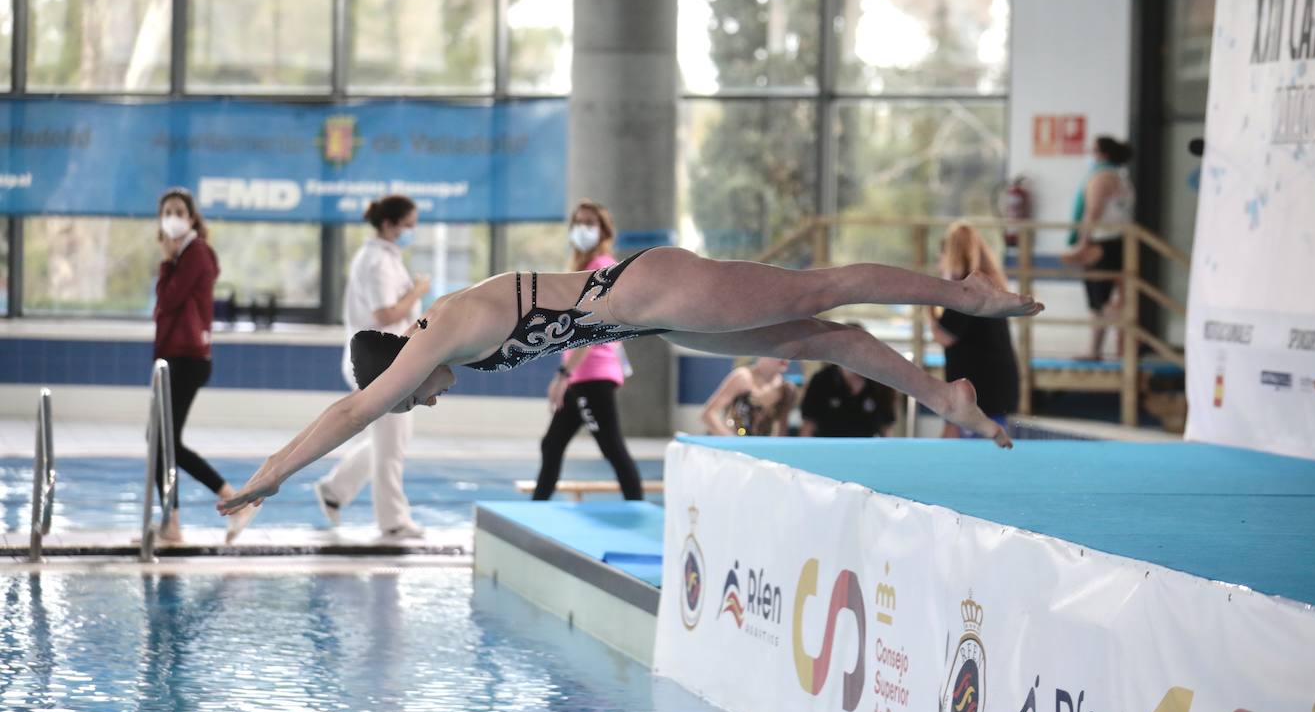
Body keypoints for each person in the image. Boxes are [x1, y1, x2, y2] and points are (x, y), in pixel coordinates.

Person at [219, 247, 1044, 519]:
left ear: (402, 371)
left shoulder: (445, 329)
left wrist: (269, 476)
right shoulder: (447, 345)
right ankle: (945, 399)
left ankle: (966, 295)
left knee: (820, 295)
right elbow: (363, 400)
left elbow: (353, 408)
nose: (425, 401)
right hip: (645, 317)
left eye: (414, 395)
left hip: (655, 291)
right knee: (831, 340)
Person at [310, 195, 430, 540]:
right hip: (377, 363)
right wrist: (419, 291)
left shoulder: (387, 258)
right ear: (389, 224)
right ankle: (393, 519)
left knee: (392, 437)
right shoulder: (377, 261)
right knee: (392, 442)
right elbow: (384, 314)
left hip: (389, 360)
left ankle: (335, 489)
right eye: (408, 225)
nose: (412, 231)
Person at [534, 201, 645, 500]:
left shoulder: (600, 266)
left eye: (590, 223)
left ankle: (636, 506)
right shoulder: (583, 267)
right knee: (552, 444)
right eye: (578, 222)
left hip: (592, 374)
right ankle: (537, 508)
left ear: (603, 230)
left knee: (611, 447)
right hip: (581, 375)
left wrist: (564, 374)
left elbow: (591, 329)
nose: (583, 229)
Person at [152, 188, 234, 542]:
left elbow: (169, 301)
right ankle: (174, 522)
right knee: (161, 440)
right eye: (166, 210)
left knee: (162, 441)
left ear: (191, 218)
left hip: (186, 358)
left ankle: (227, 498)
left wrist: (167, 261)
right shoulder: (184, 255)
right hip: (175, 357)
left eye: (178, 211)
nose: (172, 216)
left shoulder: (195, 253)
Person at [929, 223, 1020, 438]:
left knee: (958, 445)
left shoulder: (967, 290)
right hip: (995, 383)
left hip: (980, 388)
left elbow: (944, 336)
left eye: (941, 256)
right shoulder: (988, 283)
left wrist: (929, 308)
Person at [1062, 135, 1136, 360]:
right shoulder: (1121, 177)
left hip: (1102, 242)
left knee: (1099, 301)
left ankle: (1129, 339)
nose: (1089, 155)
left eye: (1092, 150)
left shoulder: (1101, 177)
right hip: (1118, 241)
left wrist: (1082, 243)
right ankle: (1100, 349)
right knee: (1102, 300)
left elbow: (1092, 212)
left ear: (1103, 154)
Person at [799, 324, 896, 438]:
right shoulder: (821, 380)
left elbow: (886, 428)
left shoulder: (880, 383)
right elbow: (808, 425)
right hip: (828, 449)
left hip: (867, 450)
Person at [702, 357, 796, 437]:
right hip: (731, 444)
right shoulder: (743, 377)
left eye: (789, 352)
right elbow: (708, 414)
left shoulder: (786, 389)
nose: (785, 357)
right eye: (779, 352)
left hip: (759, 450)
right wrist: (731, 442)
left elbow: (782, 432)